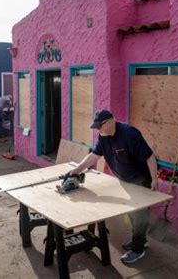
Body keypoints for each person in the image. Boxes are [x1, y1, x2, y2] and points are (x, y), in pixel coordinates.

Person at [68, 109, 158, 264]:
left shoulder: (130, 135)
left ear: (110, 122)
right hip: (125, 180)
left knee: (139, 215)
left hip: (141, 180)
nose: (97, 129)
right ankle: (140, 239)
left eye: (99, 126)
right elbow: (94, 155)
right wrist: (76, 170)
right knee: (131, 211)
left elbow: (149, 156)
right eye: (96, 126)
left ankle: (138, 249)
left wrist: (154, 180)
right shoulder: (103, 136)